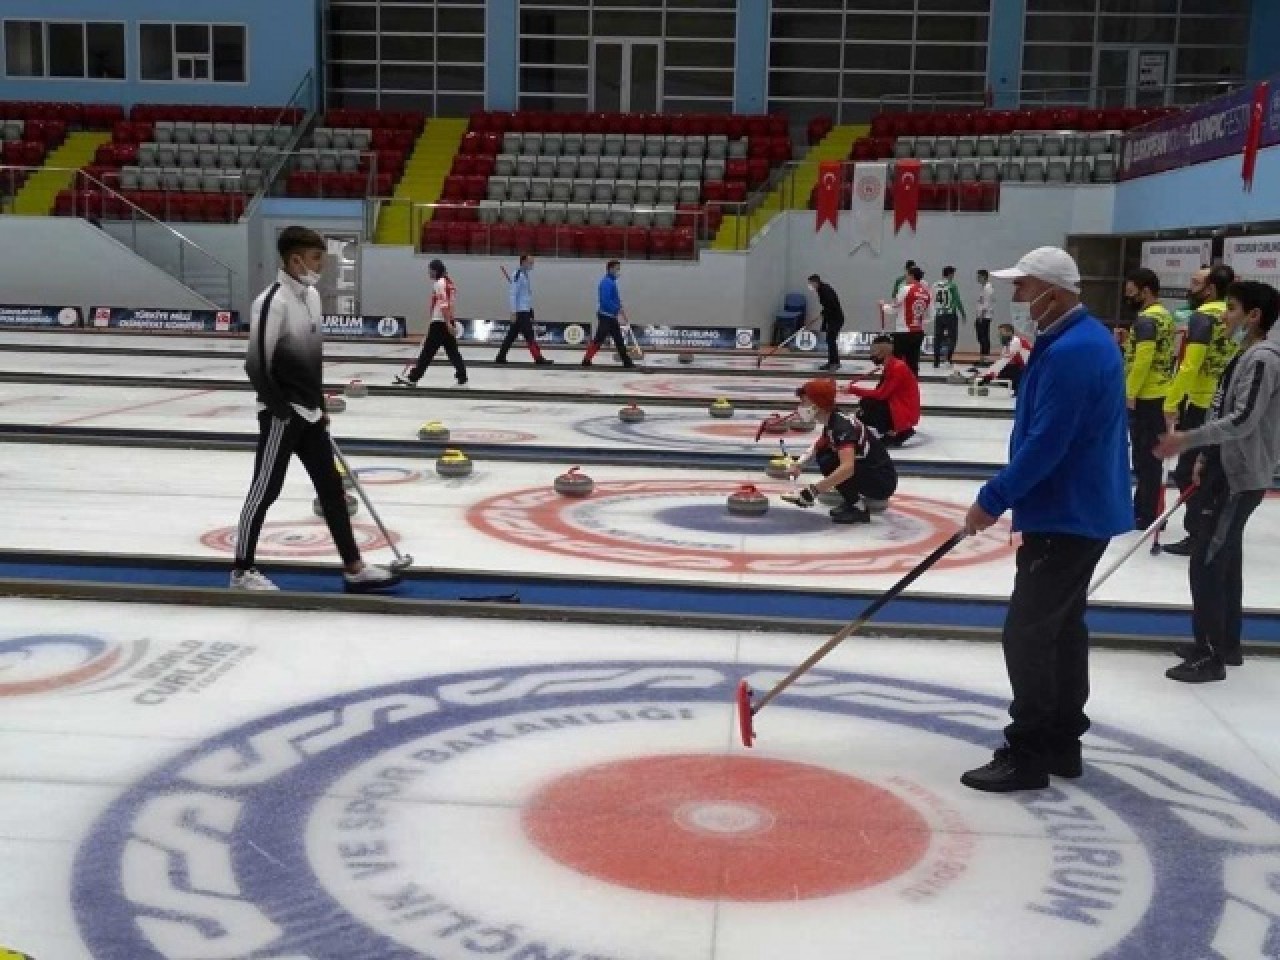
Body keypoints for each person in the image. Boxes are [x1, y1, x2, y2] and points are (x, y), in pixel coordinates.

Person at [961, 246, 1131, 793]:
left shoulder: (1073, 351)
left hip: (1067, 512)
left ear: (1052, 294)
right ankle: (1061, 742)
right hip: (1076, 508)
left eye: (1023, 286)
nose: (1016, 295)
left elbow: (1047, 443)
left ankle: (1029, 752)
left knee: (1028, 634)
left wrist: (992, 499)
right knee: (1061, 629)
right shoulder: (1075, 340)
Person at [233, 226, 401, 594]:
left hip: (310, 414)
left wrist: (319, 405)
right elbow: (255, 365)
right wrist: (281, 410)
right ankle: (242, 572)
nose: (320, 266)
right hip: (282, 416)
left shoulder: (310, 297)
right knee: (264, 490)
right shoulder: (272, 302)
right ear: (295, 260)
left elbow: (312, 358)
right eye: (315, 259)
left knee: (332, 489)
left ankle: (354, 568)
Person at [1154, 281, 1280, 683]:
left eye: (1232, 308)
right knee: (1225, 558)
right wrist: (1205, 457)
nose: (1224, 316)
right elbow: (1223, 409)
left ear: (1254, 316)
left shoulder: (1262, 359)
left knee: (1207, 560)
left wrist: (1187, 440)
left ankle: (1209, 654)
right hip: (1225, 467)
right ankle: (1226, 643)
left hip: (1240, 476)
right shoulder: (1244, 354)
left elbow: (1242, 419)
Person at [1159, 264, 1237, 556]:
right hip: (1227, 401)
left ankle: (1199, 532)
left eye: (1196, 283)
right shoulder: (1237, 316)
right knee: (1211, 470)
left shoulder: (1204, 317)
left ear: (1211, 288)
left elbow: (1190, 365)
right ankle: (1210, 529)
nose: (1191, 288)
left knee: (1188, 472)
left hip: (1202, 403)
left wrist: (1171, 401)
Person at [781, 378, 898, 524]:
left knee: (829, 461)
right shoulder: (834, 420)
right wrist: (799, 465)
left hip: (881, 481)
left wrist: (813, 491)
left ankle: (859, 509)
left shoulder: (841, 427)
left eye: (804, 402)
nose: (800, 407)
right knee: (825, 456)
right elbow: (818, 446)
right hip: (875, 472)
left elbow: (847, 468)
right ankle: (854, 503)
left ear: (817, 405)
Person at [1122, 267, 1176, 529]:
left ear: (1145, 291)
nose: (1128, 297)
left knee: (1146, 457)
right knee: (1149, 457)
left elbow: (1143, 359)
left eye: (1131, 292)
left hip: (1147, 395)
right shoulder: (1163, 316)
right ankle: (1146, 507)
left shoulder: (1146, 321)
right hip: (1159, 391)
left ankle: (1148, 512)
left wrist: (1130, 393)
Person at [395, 259, 468, 387]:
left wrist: (447, 323)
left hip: (440, 322)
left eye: (430, 270)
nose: (428, 273)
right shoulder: (449, 283)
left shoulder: (439, 283)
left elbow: (444, 304)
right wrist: (451, 321)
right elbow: (450, 304)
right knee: (452, 352)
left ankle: (413, 378)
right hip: (445, 320)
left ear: (435, 270)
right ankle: (462, 379)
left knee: (427, 352)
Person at [846, 334, 920, 446]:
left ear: (882, 352)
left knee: (869, 404)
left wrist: (853, 390)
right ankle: (895, 429)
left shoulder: (897, 368)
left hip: (904, 410)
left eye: (874, 352)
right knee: (864, 410)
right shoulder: (891, 366)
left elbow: (881, 395)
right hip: (898, 405)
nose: (871, 355)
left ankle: (899, 432)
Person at [496, 254, 553, 365]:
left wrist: (529, 309)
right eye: (530, 262)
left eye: (532, 262)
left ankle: (500, 356)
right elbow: (513, 294)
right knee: (529, 335)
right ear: (523, 262)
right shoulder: (518, 275)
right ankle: (538, 358)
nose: (532, 264)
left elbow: (525, 296)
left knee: (511, 335)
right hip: (520, 312)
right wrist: (513, 312)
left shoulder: (525, 275)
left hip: (524, 310)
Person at [583, 259, 634, 368]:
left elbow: (614, 298)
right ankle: (586, 360)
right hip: (605, 317)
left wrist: (619, 307)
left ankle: (627, 362)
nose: (618, 271)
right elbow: (605, 301)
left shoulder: (612, 282)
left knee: (619, 339)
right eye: (617, 269)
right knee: (599, 340)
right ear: (610, 269)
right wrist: (617, 309)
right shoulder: (606, 282)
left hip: (611, 317)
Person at [890, 265, 930, 375]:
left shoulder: (906, 289)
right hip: (918, 332)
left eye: (907, 275)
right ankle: (913, 384)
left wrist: (883, 306)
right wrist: (921, 322)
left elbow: (894, 308)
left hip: (903, 332)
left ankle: (895, 384)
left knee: (896, 363)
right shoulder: (926, 292)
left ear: (912, 276)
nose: (905, 278)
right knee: (913, 363)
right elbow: (931, 315)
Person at [978, 322, 1031, 396]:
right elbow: (1001, 361)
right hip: (1022, 367)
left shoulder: (1016, 342)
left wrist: (987, 377)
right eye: (999, 333)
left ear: (1010, 332)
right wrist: (986, 374)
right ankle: (1018, 386)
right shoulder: (1007, 344)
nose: (1000, 335)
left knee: (1003, 372)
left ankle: (1021, 387)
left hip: (1029, 369)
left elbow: (1003, 362)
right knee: (1002, 372)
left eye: (1001, 333)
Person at [808, 273, 845, 372]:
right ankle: (832, 362)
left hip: (836, 319)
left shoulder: (825, 290)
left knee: (831, 340)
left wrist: (822, 314)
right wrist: (823, 315)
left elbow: (831, 305)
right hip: (831, 318)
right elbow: (826, 306)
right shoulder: (821, 290)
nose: (810, 286)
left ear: (815, 282)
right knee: (830, 340)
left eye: (811, 283)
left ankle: (835, 363)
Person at [932, 265, 967, 368]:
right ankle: (948, 359)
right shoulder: (952, 285)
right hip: (950, 313)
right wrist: (963, 313)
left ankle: (936, 361)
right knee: (952, 337)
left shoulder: (935, 285)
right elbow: (957, 300)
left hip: (939, 314)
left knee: (938, 338)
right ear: (950, 274)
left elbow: (932, 299)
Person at [974, 268, 995, 363]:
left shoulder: (988, 288)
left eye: (979, 277)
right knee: (981, 337)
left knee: (984, 337)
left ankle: (985, 358)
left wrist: (981, 316)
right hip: (981, 316)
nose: (977, 278)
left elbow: (986, 304)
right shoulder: (983, 288)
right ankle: (983, 357)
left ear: (984, 277)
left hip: (984, 316)